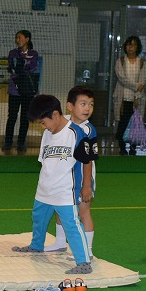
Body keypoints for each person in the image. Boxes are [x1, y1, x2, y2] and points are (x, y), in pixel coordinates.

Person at [11, 94, 93, 274]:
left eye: (43, 122)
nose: (43, 127)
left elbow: (87, 161)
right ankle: (36, 246)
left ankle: (84, 261)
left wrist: (86, 186)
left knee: (71, 224)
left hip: (65, 190)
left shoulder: (75, 133)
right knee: (38, 218)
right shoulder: (47, 135)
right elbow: (45, 161)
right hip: (44, 189)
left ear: (56, 115)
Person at [48, 87, 99, 258]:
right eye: (83, 104)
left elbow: (88, 160)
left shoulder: (89, 131)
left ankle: (88, 250)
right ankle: (60, 243)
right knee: (61, 209)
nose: (87, 108)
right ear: (70, 106)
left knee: (83, 212)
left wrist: (86, 186)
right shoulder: (64, 123)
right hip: (64, 177)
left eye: (91, 105)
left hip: (82, 178)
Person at [2, 30, 40, 154]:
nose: (17, 40)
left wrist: (21, 65)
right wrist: (22, 66)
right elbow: (13, 68)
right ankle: (8, 142)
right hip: (14, 90)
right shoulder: (12, 53)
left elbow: (32, 67)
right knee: (12, 116)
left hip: (27, 91)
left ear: (27, 39)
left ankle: (21, 143)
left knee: (25, 117)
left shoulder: (34, 54)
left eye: (20, 37)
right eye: (16, 38)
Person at [112, 35, 146, 155]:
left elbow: (142, 83)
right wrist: (136, 86)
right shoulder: (120, 61)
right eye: (128, 45)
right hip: (123, 99)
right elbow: (122, 79)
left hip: (136, 100)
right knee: (122, 123)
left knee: (135, 123)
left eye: (133, 45)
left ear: (138, 47)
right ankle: (122, 147)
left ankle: (133, 147)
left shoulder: (142, 63)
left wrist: (137, 96)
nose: (130, 47)